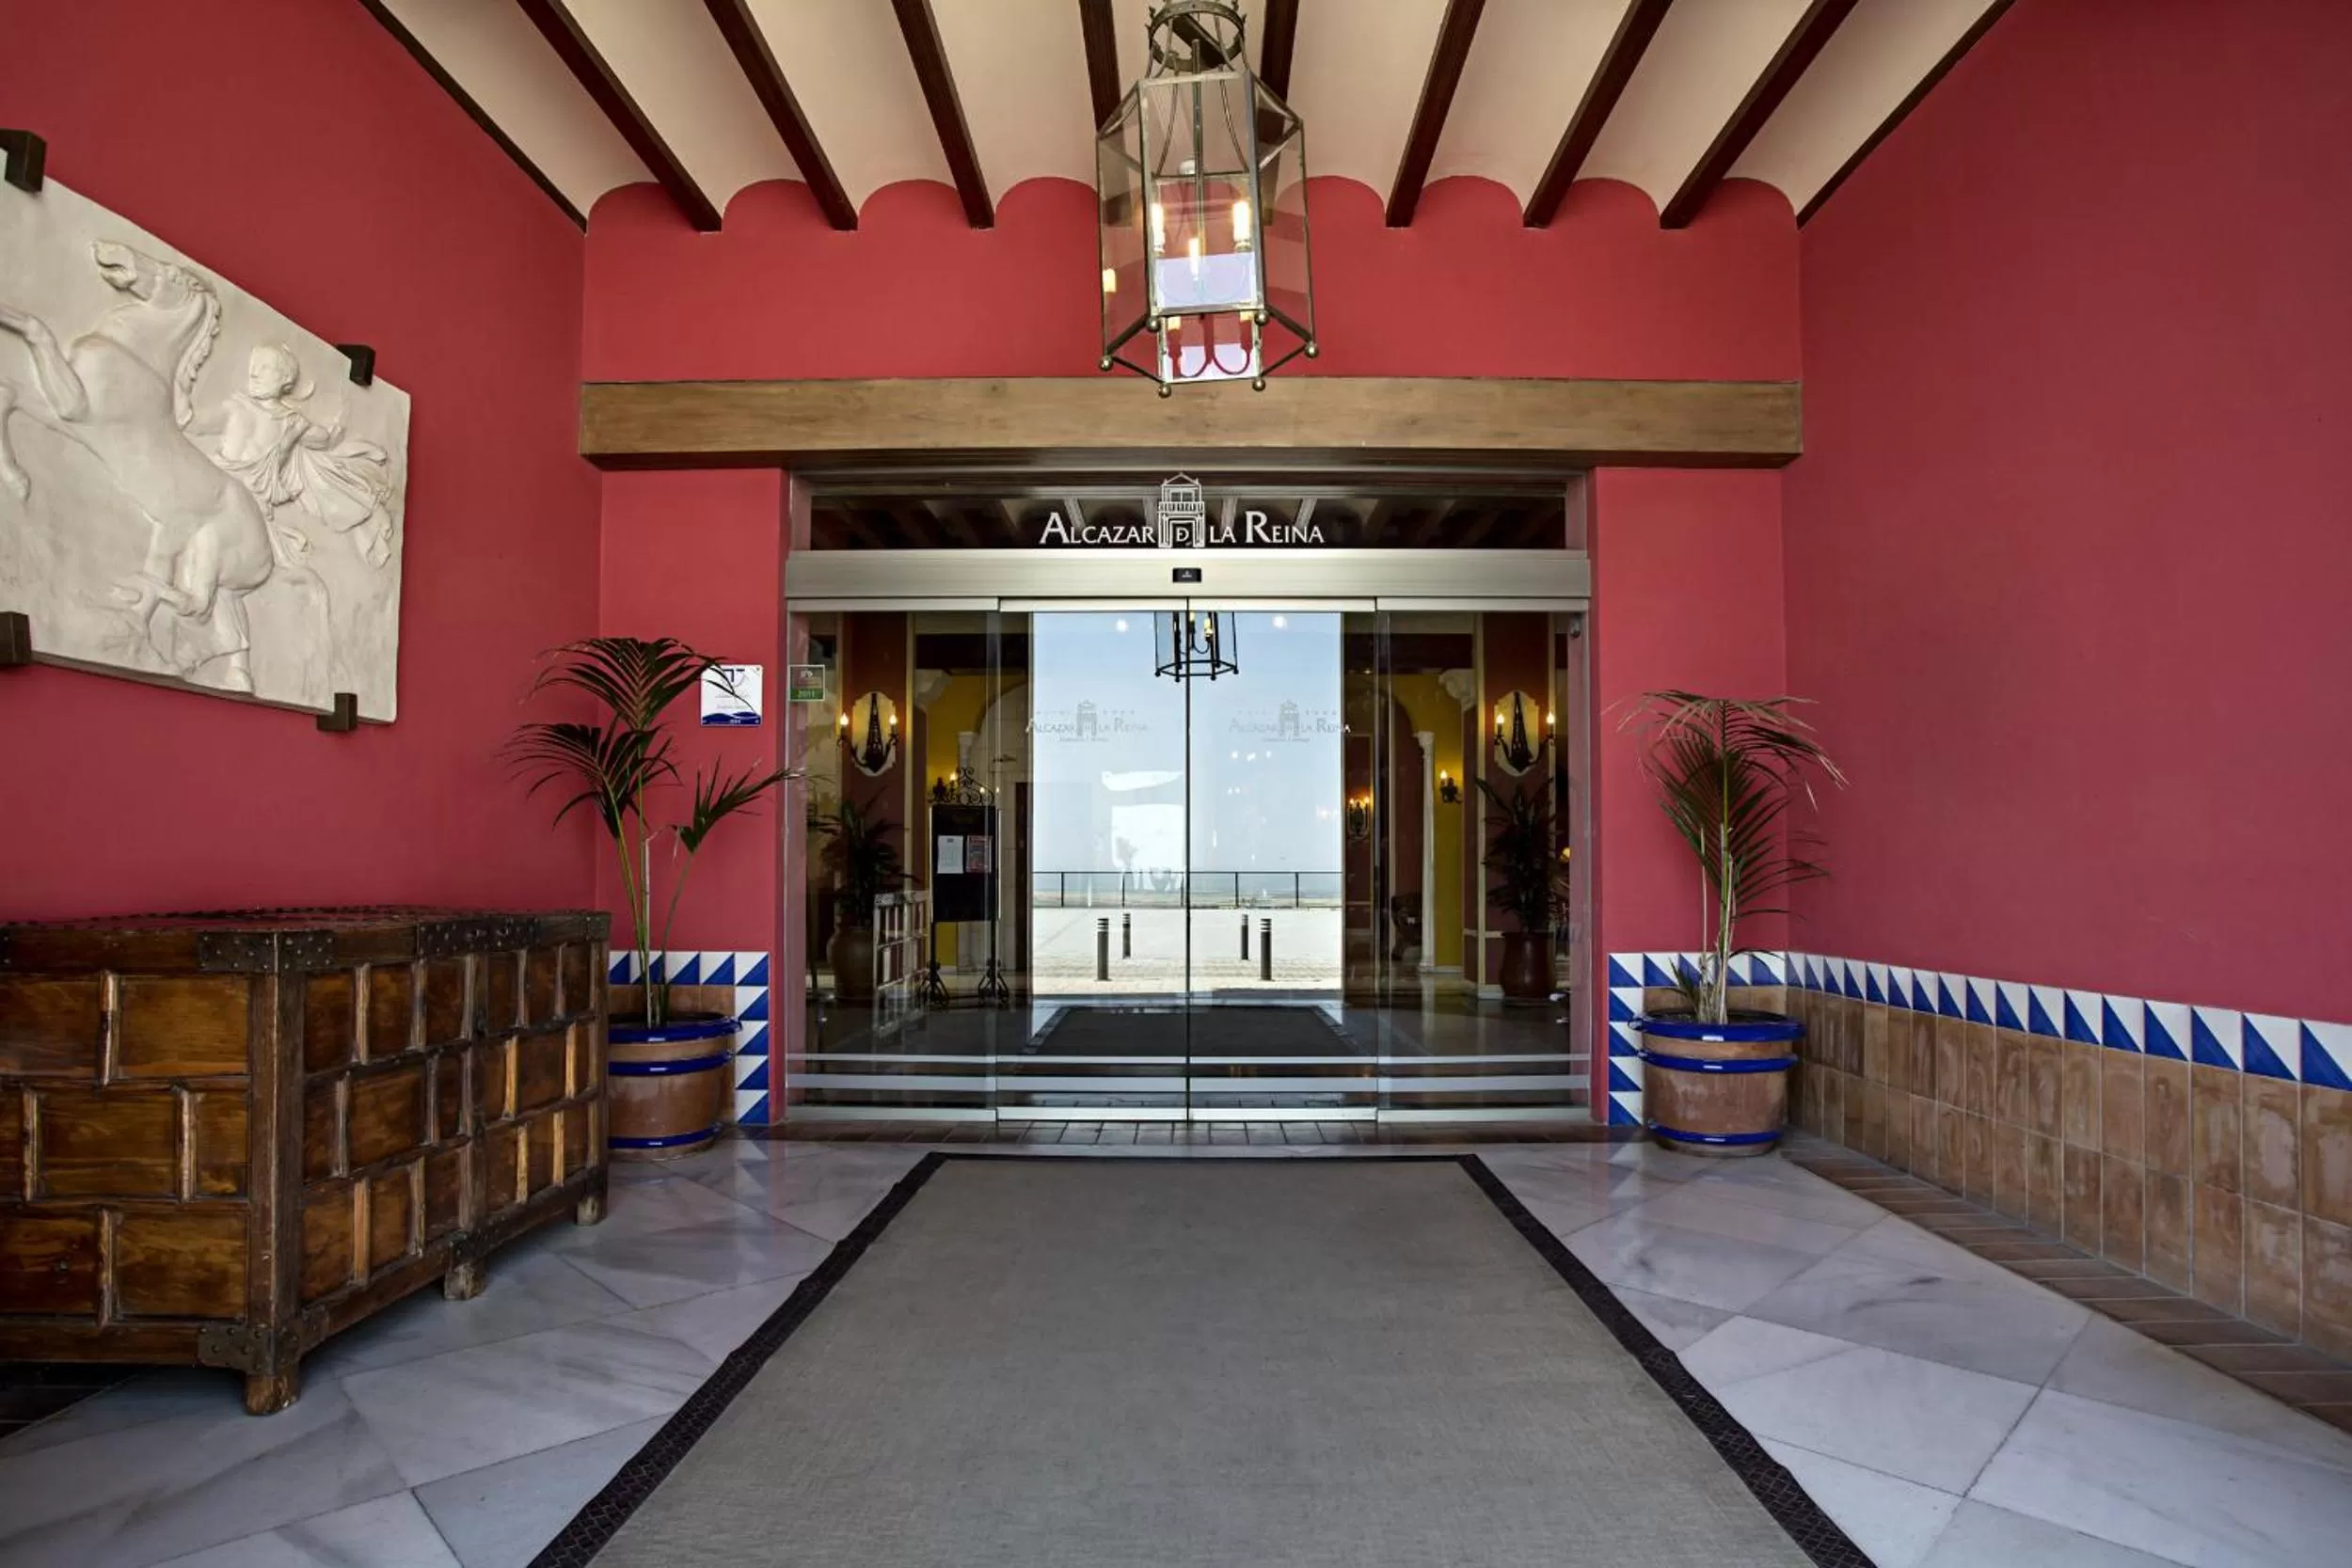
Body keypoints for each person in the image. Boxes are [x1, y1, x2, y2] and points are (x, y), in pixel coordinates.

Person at [194, 342, 395, 567]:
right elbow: (193, 423)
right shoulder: (235, 407)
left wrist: (334, 424)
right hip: (215, 491)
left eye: (264, 367)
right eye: (253, 366)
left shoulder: (292, 422)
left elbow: (323, 439)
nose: (253, 373)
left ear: (285, 380)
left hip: (250, 507)